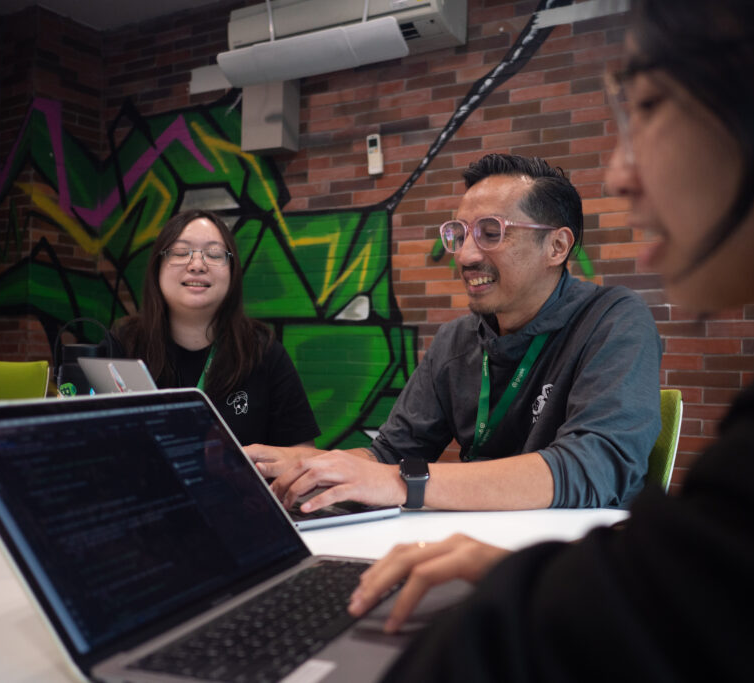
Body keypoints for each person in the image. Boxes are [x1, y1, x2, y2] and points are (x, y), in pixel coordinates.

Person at [344, 1, 754, 680]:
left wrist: (551, 582)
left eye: (650, 104)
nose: (617, 174)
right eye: (458, 235)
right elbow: (716, 595)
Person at [246, 154, 662, 513]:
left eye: (491, 232)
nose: (465, 255)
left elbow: (595, 468)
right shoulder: (457, 340)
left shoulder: (613, 320)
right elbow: (390, 455)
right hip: (473, 549)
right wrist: (308, 467)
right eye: (459, 234)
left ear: (556, 247)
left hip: (576, 563)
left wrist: (401, 483)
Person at [108, 209, 320, 448]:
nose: (197, 265)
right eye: (180, 252)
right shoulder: (124, 343)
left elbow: (302, 456)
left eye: (214, 254)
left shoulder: (263, 351)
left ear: (232, 271)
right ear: (158, 266)